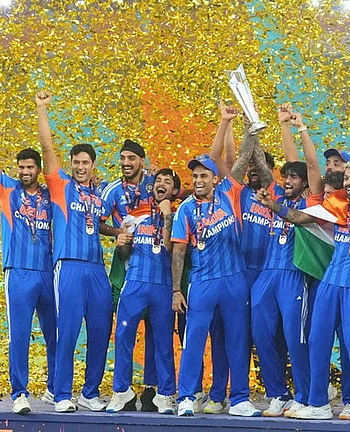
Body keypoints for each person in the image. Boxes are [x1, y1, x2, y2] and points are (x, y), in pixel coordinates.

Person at [258, 159, 350, 422]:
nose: (349, 183)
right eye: (347, 178)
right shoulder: (337, 204)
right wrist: (274, 206)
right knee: (318, 342)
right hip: (329, 284)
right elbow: (300, 218)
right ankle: (318, 403)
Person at [171, 103, 262, 417]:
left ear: (213, 177)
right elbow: (179, 251)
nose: (198, 179)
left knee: (238, 340)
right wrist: (175, 290)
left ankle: (239, 399)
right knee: (194, 340)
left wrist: (251, 130)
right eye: (194, 175)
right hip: (203, 281)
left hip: (234, 279)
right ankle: (186, 397)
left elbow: (245, 158)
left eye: (204, 174)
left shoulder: (230, 192)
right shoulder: (184, 209)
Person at [35, 91, 116, 413]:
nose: (81, 167)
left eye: (86, 162)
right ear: (70, 164)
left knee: (100, 331)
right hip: (68, 266)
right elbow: (46, 148)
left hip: (96, 268)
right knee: (67, 332)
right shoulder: (60, 185)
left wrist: (119, 233)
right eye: (77, 162)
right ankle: (62, 392)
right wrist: (42, 110)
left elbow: (101, 225)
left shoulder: (99, 194)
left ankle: (90, 392)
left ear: (93, 165)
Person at [0, 111, 57, 415]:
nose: (25, 171)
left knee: (56, 332)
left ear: (38, 169)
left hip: (48, 271)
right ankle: (20, 393)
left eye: (30, 167)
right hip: (19, 272)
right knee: (20, 334)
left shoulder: (51, 195)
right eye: (21, 167)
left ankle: (54, 388)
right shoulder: (7, 189)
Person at [251, 106, 324, 418]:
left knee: (297, 337)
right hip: (268, 272)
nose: (289, 180)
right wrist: (282, 126)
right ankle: (278, 393)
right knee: (260, 332)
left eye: (295, 177)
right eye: (286, 177)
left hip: (295, 274)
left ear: (304, 181)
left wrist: (301, 128)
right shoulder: (276, 194)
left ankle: (305, 395)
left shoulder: (313, 199)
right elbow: (290, 160)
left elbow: (307, 163)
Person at [105, 169, 181, 415]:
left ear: (175, 191)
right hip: (135, 282)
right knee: (124, 336)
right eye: (158, 181)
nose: (161, 184)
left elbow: (172, 249)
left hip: (163, 285)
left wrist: (167, 215)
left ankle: (165, 394)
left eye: (167, 182)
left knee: (163, 343)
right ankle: (121, 391)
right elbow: (124, 254)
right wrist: (121, 245)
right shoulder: (135, 215)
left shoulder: (180, 215)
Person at [99, 139, 161, 412]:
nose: (126, 163)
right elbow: (98, 221)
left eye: (131, 158)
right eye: (123, 158)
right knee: (124, 330)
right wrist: (118, 234)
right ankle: (122, 389)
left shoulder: (154, 184)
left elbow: (178, 193)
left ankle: (152, 390)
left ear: (142, 161)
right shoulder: (112, 190)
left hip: (157, 264)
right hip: (126, 265)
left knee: (156, 331)